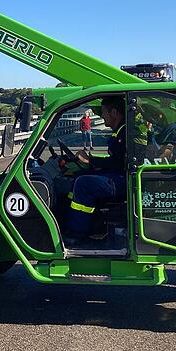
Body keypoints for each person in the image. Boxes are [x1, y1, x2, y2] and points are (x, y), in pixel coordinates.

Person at [66, 97, 127, 244]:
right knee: (78, 176)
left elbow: (119, 162)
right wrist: (93, 162)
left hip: (123, 179)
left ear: (113, 112)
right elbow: (116, 159)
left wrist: (90, 160)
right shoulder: (120, 130)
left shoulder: (125, 132)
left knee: (83, 183)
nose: (101, 116)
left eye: (103, 112)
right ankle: (75, 221)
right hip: (120, 175)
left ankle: (78, 232)